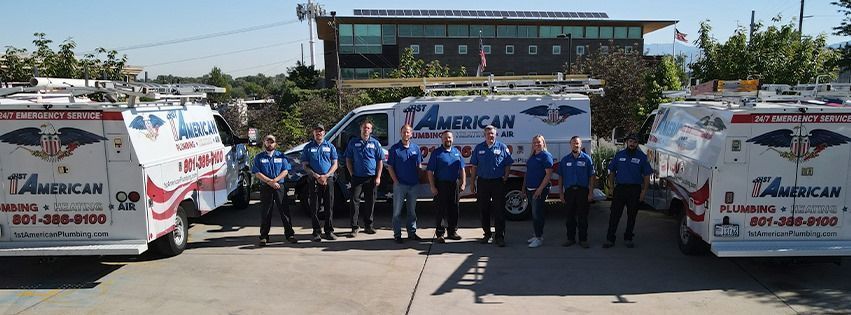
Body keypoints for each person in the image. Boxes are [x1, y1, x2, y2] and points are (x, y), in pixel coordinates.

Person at [604, 133, 652, 248]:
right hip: (620, 189)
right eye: (630, 141)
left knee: (632, 215)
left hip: (634, 190)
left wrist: (644, 191)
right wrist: (611, 187)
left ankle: (628, 238)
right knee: (614, 215)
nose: (632, 144)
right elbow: (611, 171)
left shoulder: (642, 157)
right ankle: (610, 239)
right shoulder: (619, 155)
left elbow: (646, 176)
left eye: (635, 142)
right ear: (627, 142)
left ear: (637, 144)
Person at [470, 125, 514, 247]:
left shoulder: (502, 147)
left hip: (497, 182)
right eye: (488, 133)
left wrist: (506, 176)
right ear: (484, 135)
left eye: (493, 133)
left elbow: (508, 163)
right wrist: (472, 182)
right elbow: (474, 166)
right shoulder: (479, 148)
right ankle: (487, 234)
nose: (491, 135)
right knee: (483, 209)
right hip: (483, 182)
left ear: (496, 135)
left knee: (499, 210)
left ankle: (499, 236)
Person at [252, 134, 297, 246]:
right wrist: (270, 182)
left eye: (272, 141)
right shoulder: (259, 157)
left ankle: (290, 234)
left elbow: (285, 170)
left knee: (284, 211)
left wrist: (275, 181)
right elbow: (257, 173)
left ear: (275, 144)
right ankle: (264, 236)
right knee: (266, 212)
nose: (270, 143)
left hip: (279, 186)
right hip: (266, 187)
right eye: (268, 141)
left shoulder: (281, 156)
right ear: (264, 142)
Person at [345, 119, 383, 237]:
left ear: (371, 130)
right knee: (354, 202)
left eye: (368, 128)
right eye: (364, 127)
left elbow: (379, 161)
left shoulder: (375, 143)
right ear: (360, 129)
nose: (366, 130)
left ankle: (368, 226)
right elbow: (348, 159)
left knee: (370, 202)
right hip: (357, 178)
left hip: (371, 177)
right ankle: (354, 227)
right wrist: (352, 174)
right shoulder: (353, 142)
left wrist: (378, 177)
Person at [426, 130, 466, 243]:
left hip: (454, 184)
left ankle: (452, 231)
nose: (447, 140)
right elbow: (430, 171)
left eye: (449, 138)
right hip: (441, 184)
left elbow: (462, 168)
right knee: (441, 209)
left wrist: (463, 183)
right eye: (445, 138)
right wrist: (432, 186)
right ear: (442, 139)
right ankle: (440, 234)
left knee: (454, 208)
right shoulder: (437, 153)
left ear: (452, 139)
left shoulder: (457, 152)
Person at [301, 124, 339, 242]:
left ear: (324, 133)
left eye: (321, 131)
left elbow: (335, 164)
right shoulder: (308, 147)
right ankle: (316, 232)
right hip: (314, 180)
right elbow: (305, 166)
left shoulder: (330, 146)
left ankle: (329, 231)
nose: (319, 133)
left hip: (328, 179)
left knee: (329, 206)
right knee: (315, 207)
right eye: (316, 131)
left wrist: (326, 176)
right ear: (313, 133)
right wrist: (316, 176)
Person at [387, 124, 424, 243]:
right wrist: (396, 182)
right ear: (400, 133)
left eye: (408, 132)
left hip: (413, 185)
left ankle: (412, 233)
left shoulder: (416, 148)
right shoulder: (394, 149)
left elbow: (419, 166)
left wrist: (418, 178)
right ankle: (397, 235)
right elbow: (390, 167)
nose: (406, 134)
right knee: (397, 212)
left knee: (412, 212)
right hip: (400, 186)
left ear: (411, 134)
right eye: (404, 132)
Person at [557, 136, 595, 249]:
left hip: (582, 191)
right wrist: (561, 193)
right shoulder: (565, 160)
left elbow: (592, 177)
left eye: (577, 143)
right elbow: (560, 177)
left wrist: (591, 192)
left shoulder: (587, 159)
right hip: (569, 192)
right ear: (570, 144)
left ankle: (583, 239)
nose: (575, 145)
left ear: (581, 144)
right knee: (569, 217)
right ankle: (570, 239)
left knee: (583, 217)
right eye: (573, 143)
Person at [523, 135, 553, 248]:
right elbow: (528, 172)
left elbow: (548, 174)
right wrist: (523, 188)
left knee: (537, 214)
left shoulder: (546, 156)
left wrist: (540, 189)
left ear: (543, 143)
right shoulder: (532, 156)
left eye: (539, 142)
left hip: (539, 190)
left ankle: (539, 237)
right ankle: (536, 234)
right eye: (534, 142)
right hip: (530, 189)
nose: (536, 144)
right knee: (534, 213)